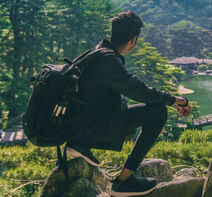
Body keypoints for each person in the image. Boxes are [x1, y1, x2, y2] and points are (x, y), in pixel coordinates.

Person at [64, 11, 190, 197]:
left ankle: (81, 144)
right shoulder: (108, 60)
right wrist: (175, 100)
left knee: (152, 110)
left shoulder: (97, 53)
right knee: (157, 113)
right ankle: (123, 181)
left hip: (81, 124)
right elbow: (141, 92)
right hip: (86, 129)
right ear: (133, 40)